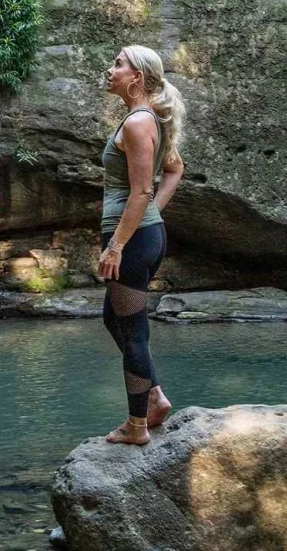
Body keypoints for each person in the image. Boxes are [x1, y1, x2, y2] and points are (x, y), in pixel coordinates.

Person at [95, 44, 185, 446]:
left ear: (137, 77)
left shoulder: (137, 123)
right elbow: (175, 169)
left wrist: (115, 246)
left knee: (133, 332)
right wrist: (152, 215)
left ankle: (137, 425)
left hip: (131, 240)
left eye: (118, 64)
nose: (110, 69)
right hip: (144, 234)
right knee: (114, 318)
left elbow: (139, 192)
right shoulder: (149, 119)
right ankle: (155, 397)